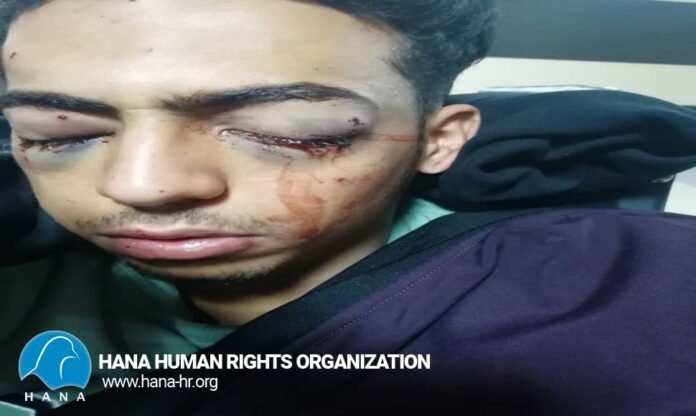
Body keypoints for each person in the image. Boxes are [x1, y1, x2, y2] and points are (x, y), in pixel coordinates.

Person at [0, 0, 695, 414]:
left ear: (437, 140)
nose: (142, 185)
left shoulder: (644, 298)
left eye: (287, 131)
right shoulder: (17, 283)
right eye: (58, 135)